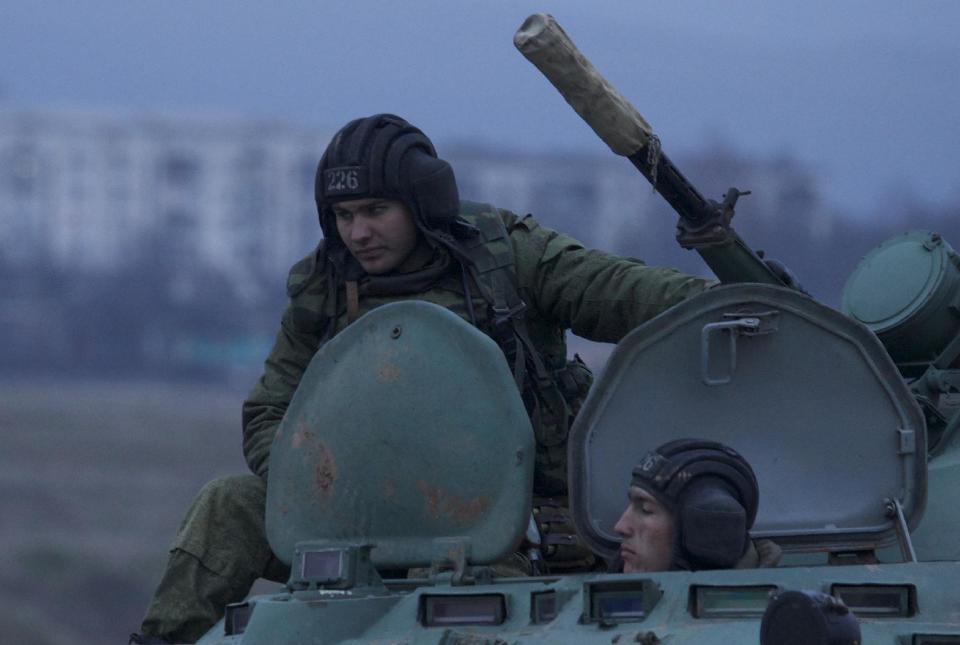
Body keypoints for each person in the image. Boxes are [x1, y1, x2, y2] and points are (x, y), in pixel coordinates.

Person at [132, 113, 714, 643]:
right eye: (344, 215)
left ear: (420, 203)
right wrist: (322, 482)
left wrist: (724, 298)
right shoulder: (325, 284)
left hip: (501, 520)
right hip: (359, 514)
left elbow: (618, 292)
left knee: (463, 603)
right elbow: (269, 412)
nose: (358, 233)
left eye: (375, 211)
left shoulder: (504, 258)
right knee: (227, 504)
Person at [612, 439, 780, 573]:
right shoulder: (602, 604)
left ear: (704, 529)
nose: (620, 527)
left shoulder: (785, 613)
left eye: (646, 510)